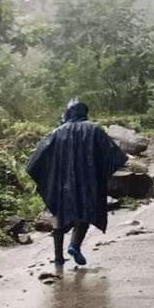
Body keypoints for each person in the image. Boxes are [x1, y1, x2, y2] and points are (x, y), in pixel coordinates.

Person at [25, 98, 128, 267]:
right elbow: (115, 156)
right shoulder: (94, 130)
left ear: (68, 113)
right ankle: (74, 245)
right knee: (85, 214)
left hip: (62, 185)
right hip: (88, 184)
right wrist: (100, 174)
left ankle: (58, 259)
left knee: (59, 219)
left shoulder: (57, 133)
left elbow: (36, 161)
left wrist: (48, 178)